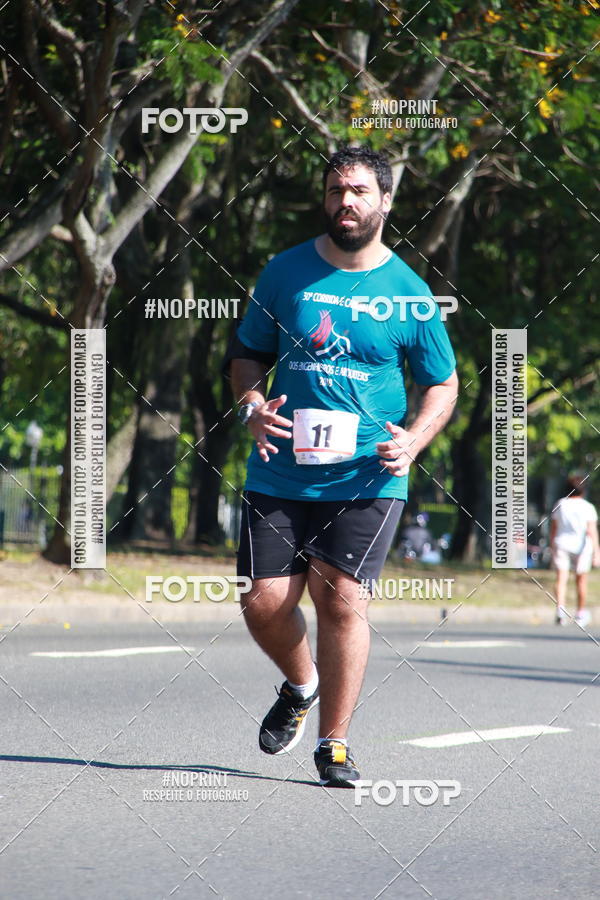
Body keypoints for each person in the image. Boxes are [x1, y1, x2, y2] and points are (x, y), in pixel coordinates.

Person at [227, 145, 458, 787]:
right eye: (335, 191)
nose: (345, 201)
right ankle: (301, 685)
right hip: (280, 466)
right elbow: (247, 356)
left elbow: (443, 383)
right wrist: (251, 406)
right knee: (262, 600)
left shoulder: (410, 293)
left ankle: (334, 744)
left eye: (358, 191)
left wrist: (414, 440)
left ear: (385, 201)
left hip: (368, 474)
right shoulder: (286, 273)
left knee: (342, 600)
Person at [550, 474, 600, 627]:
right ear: (583, 490)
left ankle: (560, 610)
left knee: (561, 578)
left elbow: (554, 528)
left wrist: (552, 545)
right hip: (582, 546)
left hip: (562, 543)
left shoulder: (560, 504)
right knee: (581, 580)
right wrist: (597, 552)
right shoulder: (588, 507)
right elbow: (591, 530)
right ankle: (580, 613)